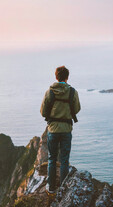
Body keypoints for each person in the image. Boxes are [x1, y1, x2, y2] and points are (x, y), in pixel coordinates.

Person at [40, 66, 81, 194]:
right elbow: (77, 108)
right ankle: (63, 188)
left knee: (52, 158)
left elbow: (43, 112)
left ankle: (51, 188)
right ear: (67, 77)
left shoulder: (50, 92)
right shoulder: (73, 92)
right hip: (66, 129)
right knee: (64, 160)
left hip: (52, 129)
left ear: (56, 77)